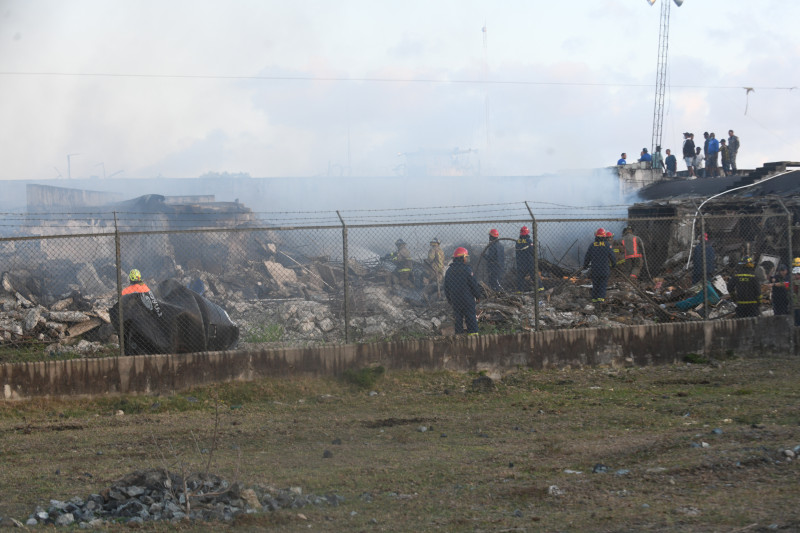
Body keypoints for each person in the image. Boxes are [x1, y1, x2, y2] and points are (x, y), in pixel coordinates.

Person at [444, 247, 482, 335]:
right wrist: (478, 296)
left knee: (458, 319)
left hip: (455, 300)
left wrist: (449, 299)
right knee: (471, 318)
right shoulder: (467, 270)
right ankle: (473, 336)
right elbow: (473, 285)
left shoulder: (449, 271)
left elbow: (446, 287)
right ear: (462, 257)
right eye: (466, 257)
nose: (466, 259)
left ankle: (459, 337)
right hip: (467, 300)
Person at [583, 228, 616, 303]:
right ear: (604, 236)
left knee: (595, 285)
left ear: (596, 236)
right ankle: (600, 302)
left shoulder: (592, 245)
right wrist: (614, 265)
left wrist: (585, 265)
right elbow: (612, 256)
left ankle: (594, 300)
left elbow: (587, 257)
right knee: (602, 285)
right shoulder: (607, 245)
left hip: (595, 270)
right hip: (604, 270)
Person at [515, 226, 536, 292]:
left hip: (520, 263)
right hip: (529, 262)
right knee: (534, 276)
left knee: (520, 278)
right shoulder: (529, 241)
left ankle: (520, 291)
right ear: (527, 233)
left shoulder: (518, 241)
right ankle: (540, 289)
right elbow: (533, 252)